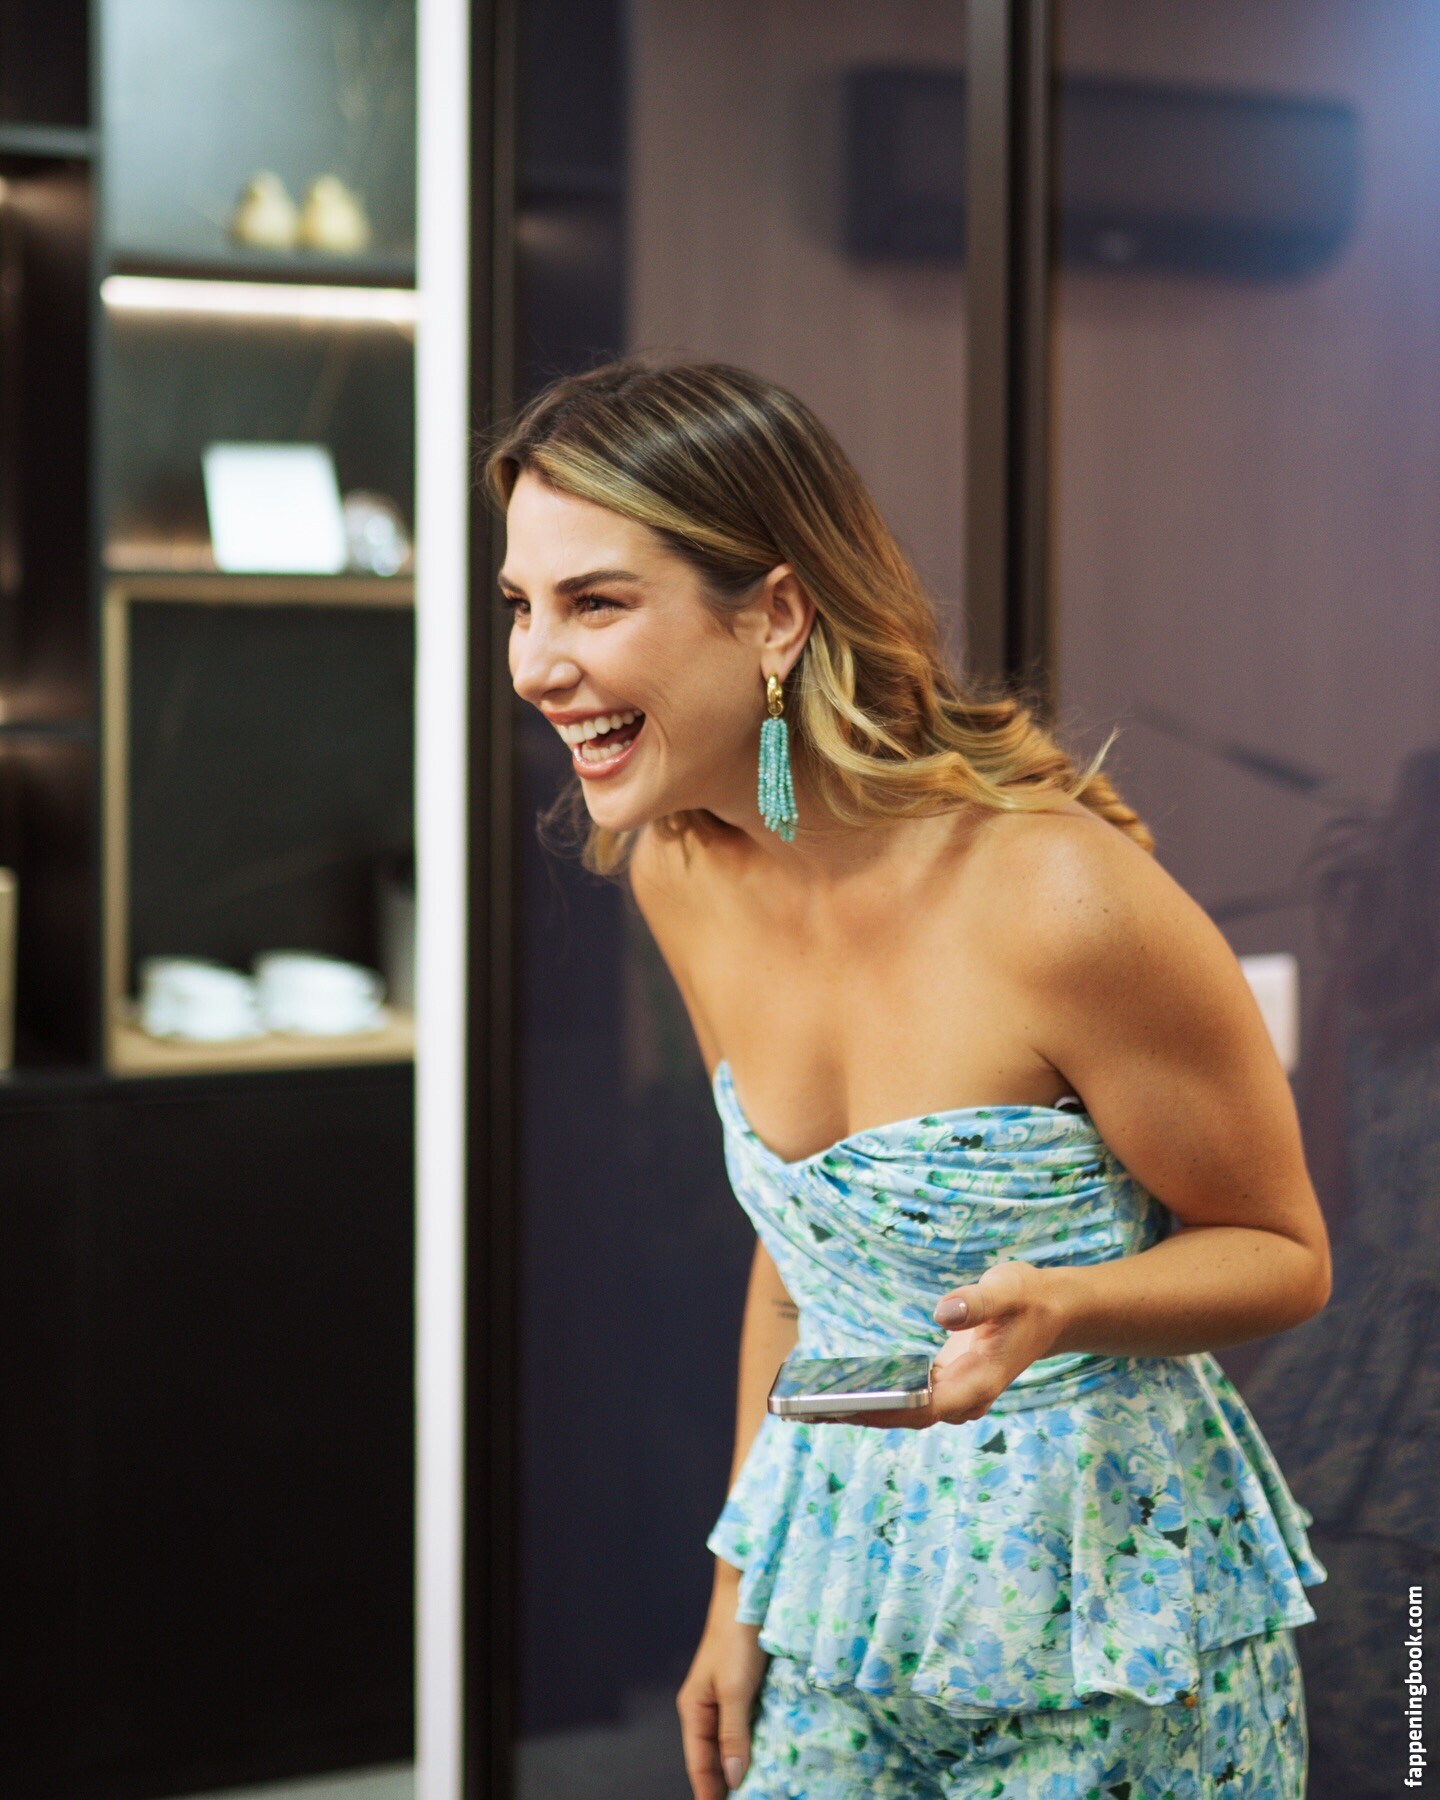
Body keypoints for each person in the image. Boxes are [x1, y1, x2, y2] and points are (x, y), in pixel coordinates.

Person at [486, 357, 1331, 1799]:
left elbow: (1284, 1252)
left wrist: (1066, 1307)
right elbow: (798, 1256)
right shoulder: (677, 870)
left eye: (595, 603)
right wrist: (738, 1593)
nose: (533, 663)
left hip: (1110, 1623)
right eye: (521, 605)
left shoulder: (1060, 898)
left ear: (775, 614)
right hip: (843, 1601)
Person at [1240, 745, 1440, 1799]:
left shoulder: (1371, 982)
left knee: (1355, 1725)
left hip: (1341, 1388)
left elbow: (1316, 1192)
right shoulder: (1369, 983)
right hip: (1366, 1401)